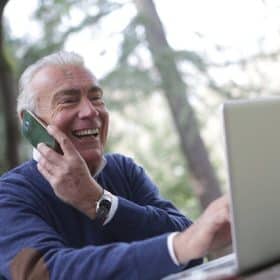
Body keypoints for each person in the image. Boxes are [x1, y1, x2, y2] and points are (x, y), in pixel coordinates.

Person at [0, 51, 231, 280]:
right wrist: (177, 248)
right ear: (29, 122)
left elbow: (191, 246)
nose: (91, 111)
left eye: (96, 98)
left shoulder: (123, 170)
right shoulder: (9, 195)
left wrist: (100, 202)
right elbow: (45, 273)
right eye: (68, 100)